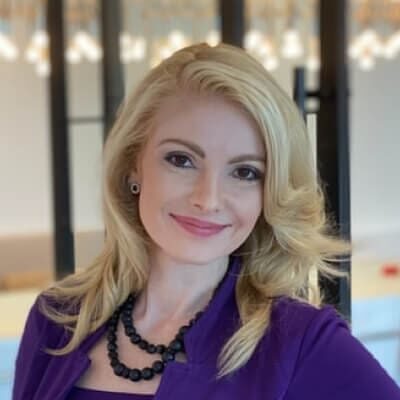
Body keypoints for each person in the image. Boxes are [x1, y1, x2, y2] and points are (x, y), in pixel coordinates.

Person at [12, 42, 400, 400]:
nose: (207, 199)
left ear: (270, 192)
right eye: (181, 160)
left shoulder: (300, 342)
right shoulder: (58, 319)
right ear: (134, 167)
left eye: (245, 172)